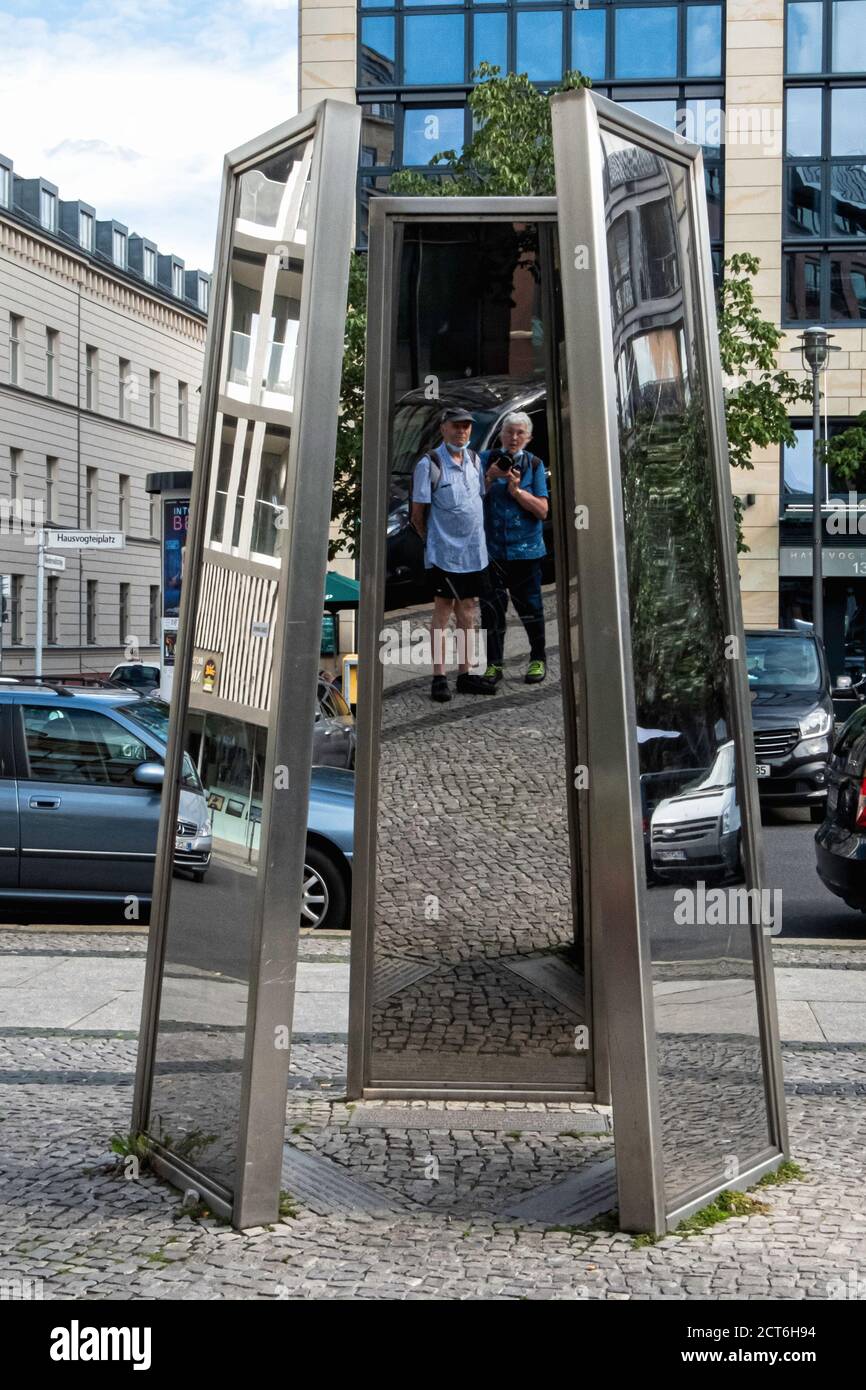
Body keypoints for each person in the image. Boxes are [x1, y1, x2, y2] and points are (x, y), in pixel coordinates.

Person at [410, 407, 496, 703]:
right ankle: (438, 677)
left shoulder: (473, 459)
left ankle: (466, 673)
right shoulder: (430, 463)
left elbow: (476, 498)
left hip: (474, 552)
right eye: (456, 426)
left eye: (466, 427)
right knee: (443, 611)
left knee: (469, 610)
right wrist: (431, 541)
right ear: (443, 428)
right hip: (444, 554)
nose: (462, 432)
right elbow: (417, 514)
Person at [479, 411, 549, 685]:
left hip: (526, 551)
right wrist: (489, 476)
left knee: (531, 608)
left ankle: (538, 659)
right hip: (492, 551)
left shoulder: (534, 464)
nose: (514, 437)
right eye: (509, 432)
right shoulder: (485, 460)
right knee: (491, 611)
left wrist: (517, 492)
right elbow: (470, 499)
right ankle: (493, 665)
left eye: (520, 432)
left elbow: (543, 510)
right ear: (501, 435)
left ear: (528, 437)